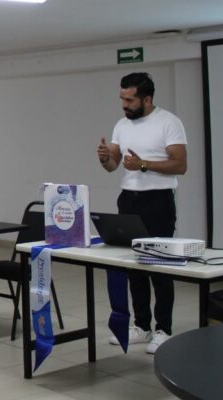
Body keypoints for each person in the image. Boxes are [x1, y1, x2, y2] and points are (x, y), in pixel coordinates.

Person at [96, 72, 187, 354]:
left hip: (158, 201)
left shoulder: (169, 122)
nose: (124, 104)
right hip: (129, 199)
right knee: (134, 265)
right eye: (122, 98)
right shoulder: (122, 125)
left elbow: (180, 165)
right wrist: (104, 158)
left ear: (147, 99)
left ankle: (164, 329)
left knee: (159, 266)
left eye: (130, 99)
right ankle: (142, 326)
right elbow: (114, 164)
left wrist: (144, 165)